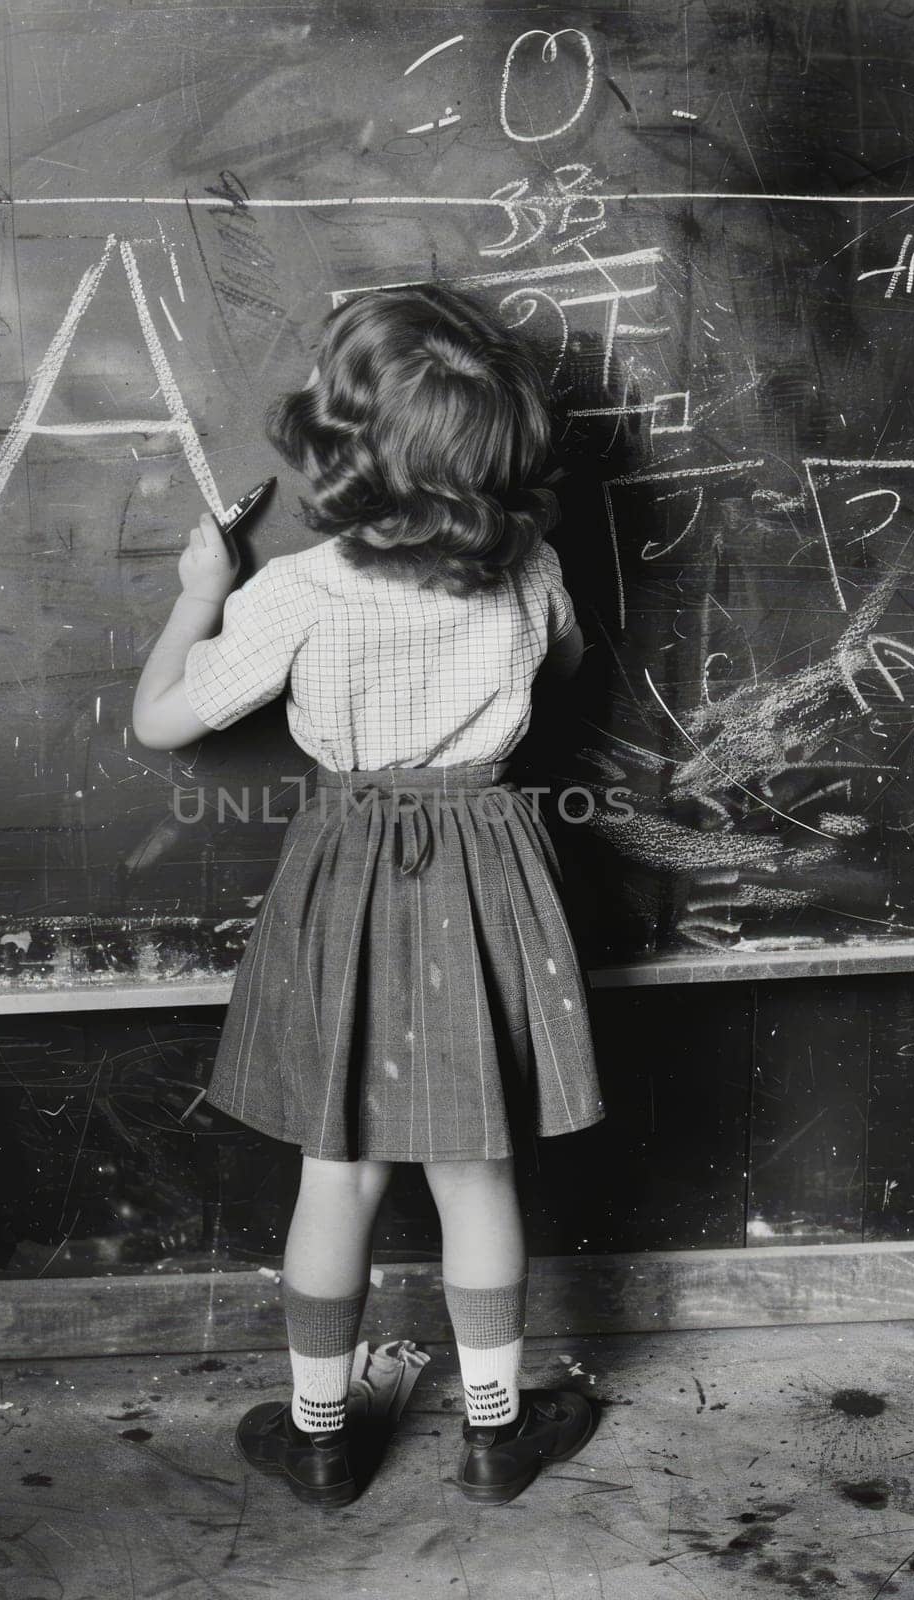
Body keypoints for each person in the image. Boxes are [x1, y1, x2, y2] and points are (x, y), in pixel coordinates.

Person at [132, 283, 604, 1508]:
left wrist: (200, 590)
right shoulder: (531, 566)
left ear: (339, 443)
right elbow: (564, 667)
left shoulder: (297, 589)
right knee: (477, 1171)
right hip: (488, 867)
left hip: (346, 873)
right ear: (495, 450)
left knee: (333, 1175)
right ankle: (496, 1433)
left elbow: (161, 721)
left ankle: (322, 1435)